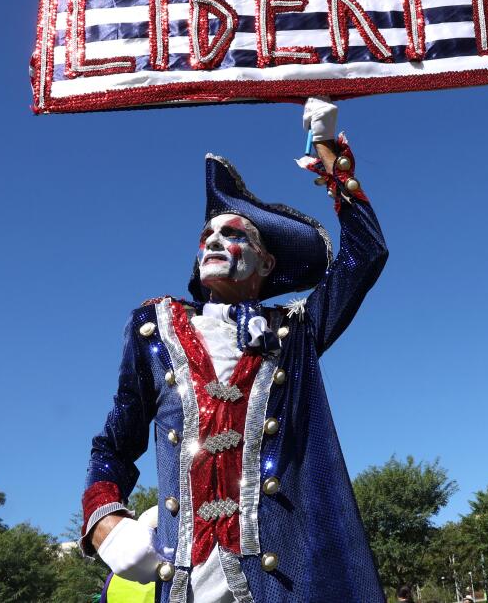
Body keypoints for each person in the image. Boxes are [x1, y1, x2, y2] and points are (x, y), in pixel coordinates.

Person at [79, 99, 388, 603]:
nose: (215, 241)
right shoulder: (153, 330)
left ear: (266, 263)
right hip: (185, 579)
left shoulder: (294, 332)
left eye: (233, 234)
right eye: (208, 235)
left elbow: (367, 254)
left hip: (282, 579)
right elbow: (114, 445)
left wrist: (330, 150)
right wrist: (105, 522)